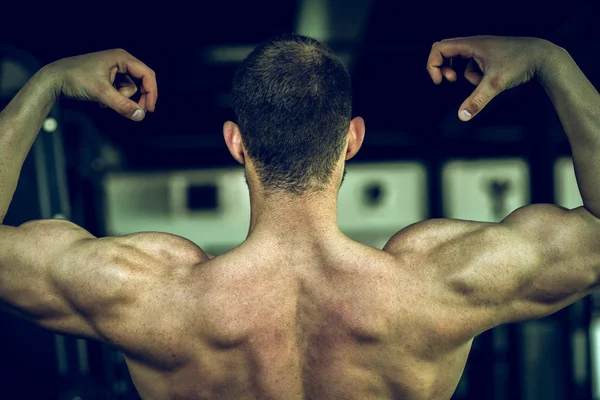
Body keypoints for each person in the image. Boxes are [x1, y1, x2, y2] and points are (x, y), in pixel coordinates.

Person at [0, 34, 597, 400]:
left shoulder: (153, 295)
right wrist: (552, 61)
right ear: (352, 139)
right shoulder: (436, 284)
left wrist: (47, 83)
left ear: (236, 143)